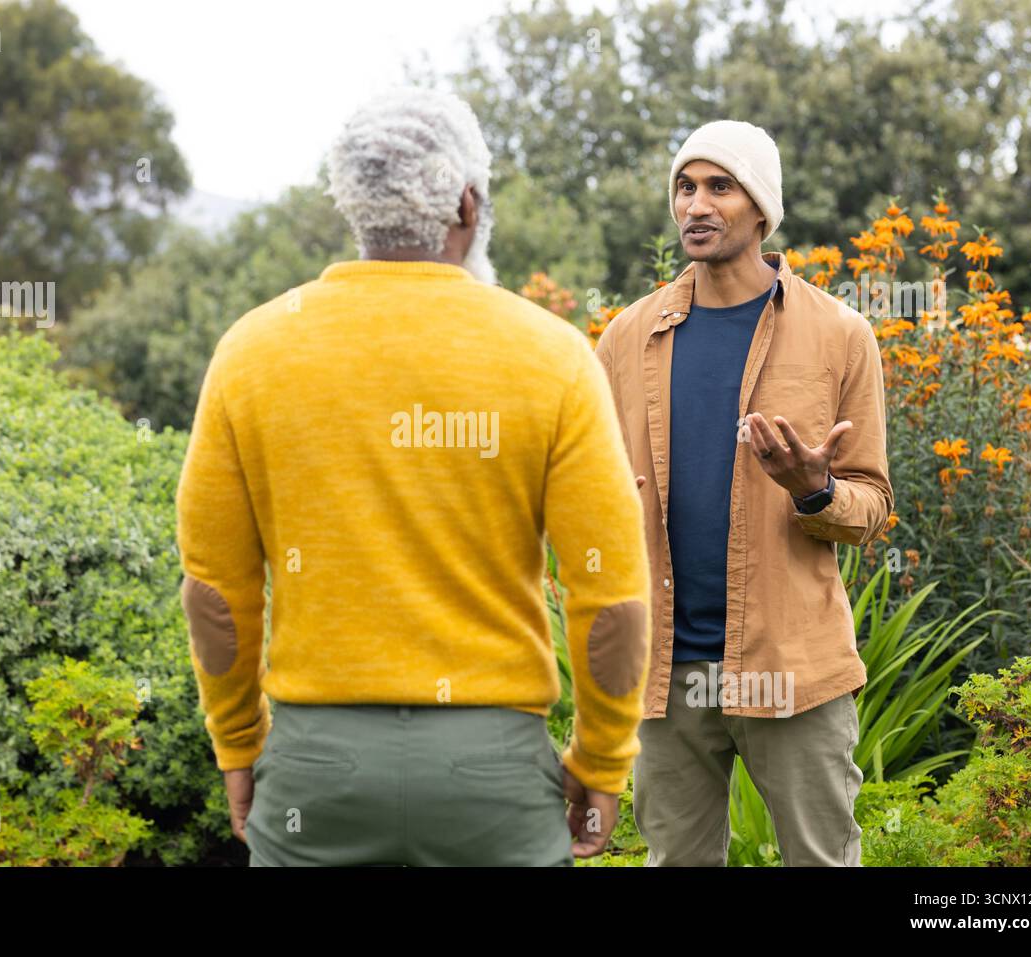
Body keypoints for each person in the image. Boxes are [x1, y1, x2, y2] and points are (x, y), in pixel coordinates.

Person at [175, 87, 651, 866]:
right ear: (468, 203)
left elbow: (215, 593)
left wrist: (238, 745)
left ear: (354, 203)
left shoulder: (252, 351)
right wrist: (601, 761)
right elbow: (613, 597)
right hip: (489, 778)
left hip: (317, 774)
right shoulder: (552, 356)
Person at [593, 120, 895, 866]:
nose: (697, 204)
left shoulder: (839, 334)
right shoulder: (624, 339)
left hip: (790, 664)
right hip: (666, 676)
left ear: (760, 206)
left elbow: (871, 508)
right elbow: (592, 500)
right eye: (685, 187)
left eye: (719, 186)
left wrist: (815, 488)